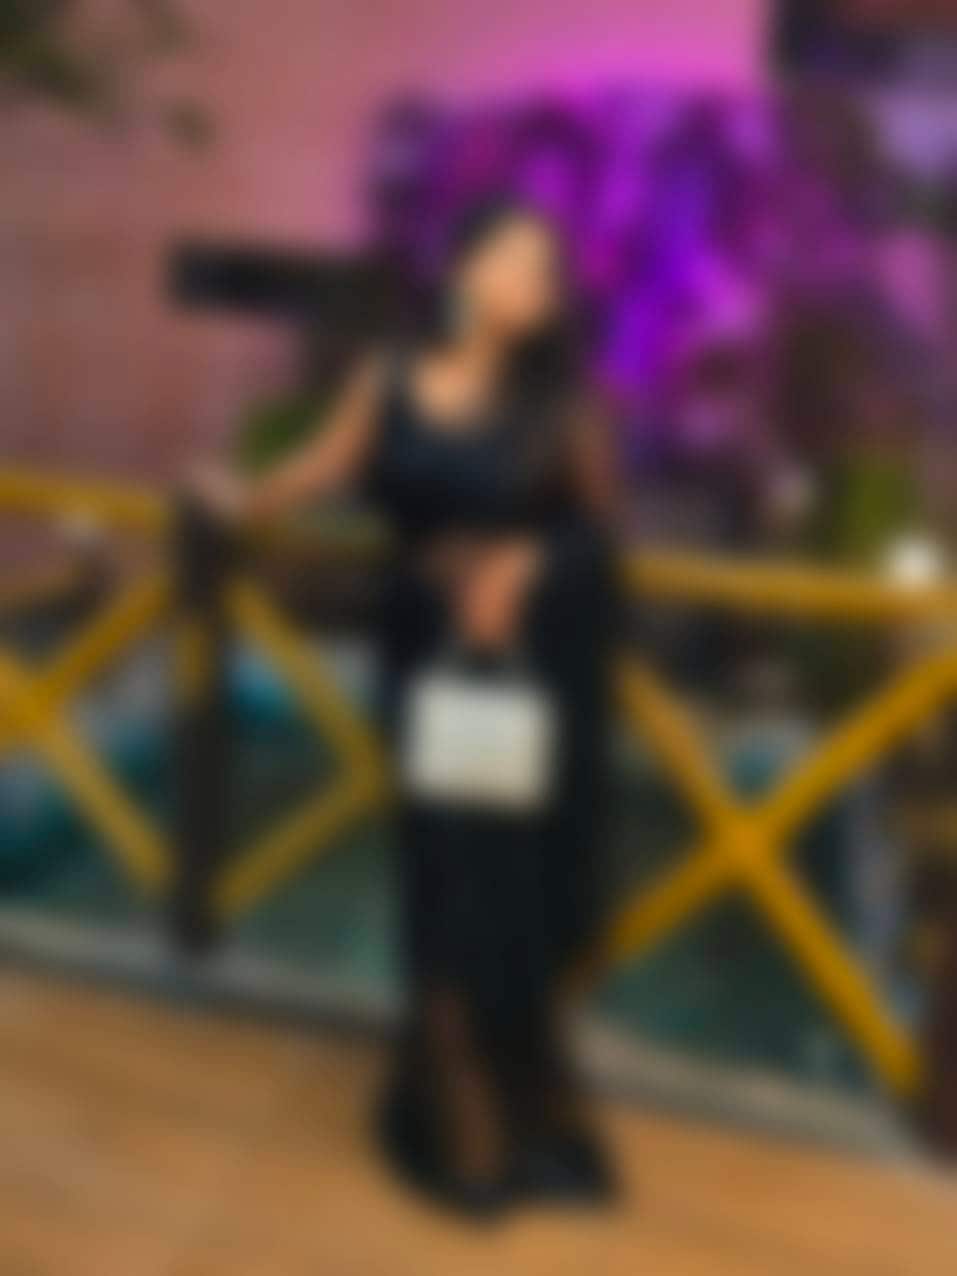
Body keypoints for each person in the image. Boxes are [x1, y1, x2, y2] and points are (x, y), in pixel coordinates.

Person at [189, 198, 622, 1219]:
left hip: (525, 678)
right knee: (439, 880)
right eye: (515, 260)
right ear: (464, 268)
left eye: (546, 270)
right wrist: (239, 501)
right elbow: (319, 466)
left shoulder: (562, 405)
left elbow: (598, 537)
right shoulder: (387, 379)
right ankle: (457, 1109)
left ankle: (525, 1103)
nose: (535, 283)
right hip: (425, 666)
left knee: (513, 889)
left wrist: (529, 563)